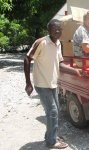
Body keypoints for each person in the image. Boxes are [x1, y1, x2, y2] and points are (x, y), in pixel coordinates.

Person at [24, 19, 81, 149]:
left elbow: (60, 63)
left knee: (56, 112)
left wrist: (74, 71)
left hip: (53, 83)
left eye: (59, 29)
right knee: (53, 112)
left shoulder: (58, 44)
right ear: (48, 30)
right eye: (54, 28)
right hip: (42, 84)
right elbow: (27, 59)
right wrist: (28, 83)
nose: (57, 31)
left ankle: (51, 136)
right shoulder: (41, 42)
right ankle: (51, 142)